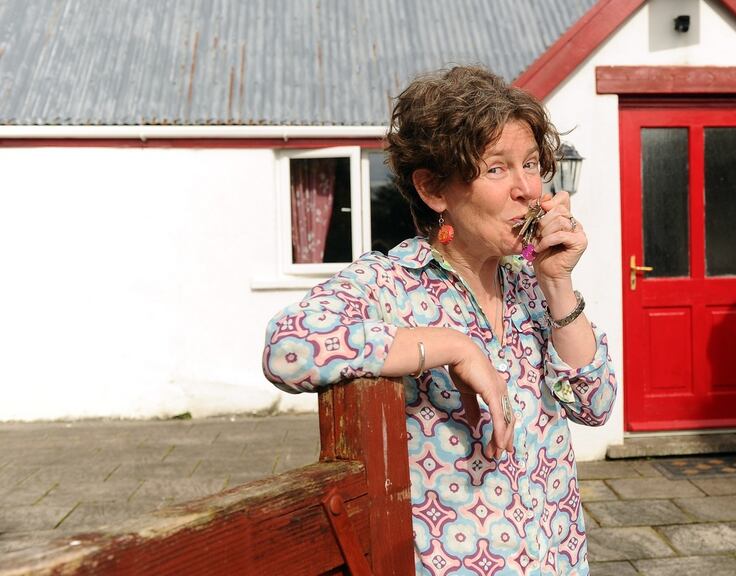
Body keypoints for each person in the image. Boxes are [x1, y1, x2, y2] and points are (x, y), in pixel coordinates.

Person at [263, 65, 617, 575]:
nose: (527, 189)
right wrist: (454, 346)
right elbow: (289, 347)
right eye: (496, 169)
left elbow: (595, 403)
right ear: (433, 190)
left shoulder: (531, 286)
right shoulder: (392, 284)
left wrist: (558, 282)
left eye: (531, 164)